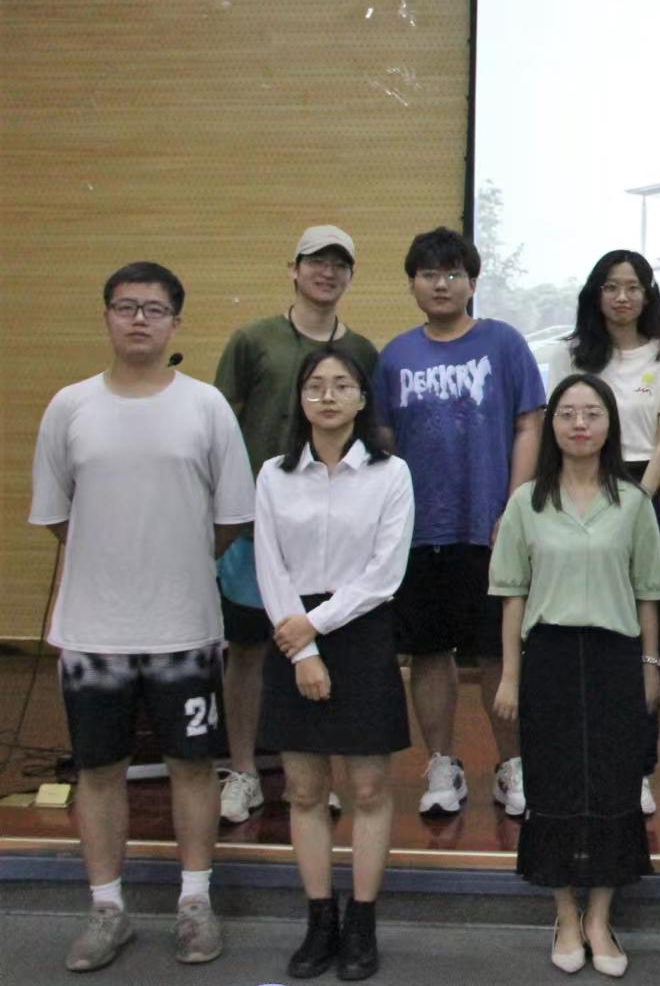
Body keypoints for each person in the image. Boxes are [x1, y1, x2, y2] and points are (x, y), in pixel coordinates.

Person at [30, 262, 255, 972]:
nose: (138, 319)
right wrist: (113, 559)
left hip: (184, 629)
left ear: (175, 323)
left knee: (193, 765)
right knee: (100, 770)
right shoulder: (70, 406)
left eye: (154, 309)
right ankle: (107, 908)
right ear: (106, 316)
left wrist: (174, 560)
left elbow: (231, 517)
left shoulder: (206, 407)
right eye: (125, 306)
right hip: (92, 633)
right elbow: (59, 516)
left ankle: (195, 902)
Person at [488, 374, 660, 979]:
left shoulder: (633, 502)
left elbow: (649, 594)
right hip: (550, 659)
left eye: (592, 413)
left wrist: (650, 666)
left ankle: (601, 919)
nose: (580, 424)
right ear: (552, 426)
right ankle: (566, 914)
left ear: (611, 424)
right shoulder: (526, 503)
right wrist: (510, 676)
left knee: (615, 786)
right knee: (554, 786)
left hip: (617, 658)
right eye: (567, 413)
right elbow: (512, 595)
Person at [372, 227, 545, 819]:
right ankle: (442, 764)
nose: (441, 284)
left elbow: (528, 425)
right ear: (412, 284)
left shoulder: (503, 342)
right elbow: (384, 441)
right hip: (417, 532)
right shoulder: (395, 355)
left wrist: (513, 508)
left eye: (453, 274)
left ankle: (511, 765)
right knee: (427, 651)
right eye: (429, 274)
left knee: (497, 650)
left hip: (487, 526)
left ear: (472, 282)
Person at [211, 224, 381, 826]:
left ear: (350, 276)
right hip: (253, 528)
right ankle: (242, 771)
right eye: (315, 261)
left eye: (339, 264)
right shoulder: (253, 339)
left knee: (320, 644)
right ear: (294, 269)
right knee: (249, 650)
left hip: (329, 534)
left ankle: (318, 776)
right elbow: (221, 427)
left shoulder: (362, 351)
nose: (326, 273)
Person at [253, 349, 414, 982]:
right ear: (300, 398)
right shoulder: (274, 474)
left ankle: (362, 921)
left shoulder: (390, 472)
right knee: (304, 790)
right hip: (290, 633)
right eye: (315, 386)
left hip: (359, 631)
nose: (327, 396)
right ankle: (319, 920)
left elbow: (385, 573)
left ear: (361, 399)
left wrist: (314, 629)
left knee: (368, 789)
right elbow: (270, 567)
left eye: (341, 385)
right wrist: (303, 649)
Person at [551, 248, 660, 816]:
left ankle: (637, 768)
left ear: (648, 293)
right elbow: (559, 424)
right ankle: (574, 760)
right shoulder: (570, 353)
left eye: (633, 286)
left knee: (641, 634)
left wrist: (635, 502)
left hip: (639, 491)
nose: (623, 297)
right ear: (596, 294)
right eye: (611, 286)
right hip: (576, 488)